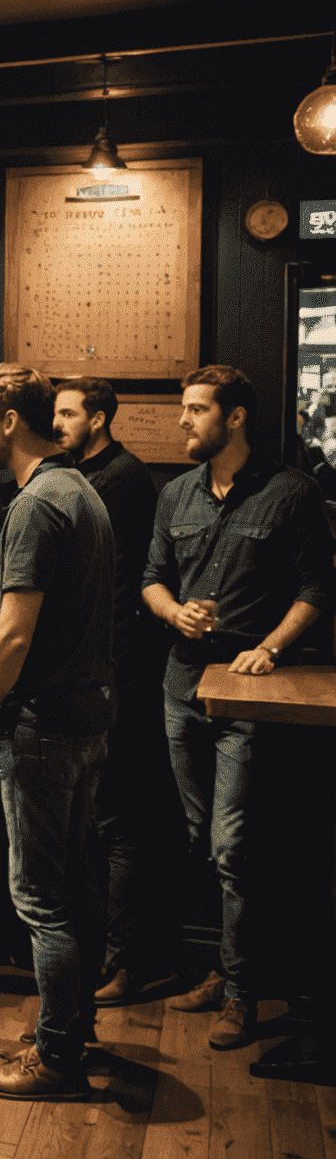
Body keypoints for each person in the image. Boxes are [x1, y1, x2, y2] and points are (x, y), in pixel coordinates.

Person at [142, 365, 331, 1048]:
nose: (184, 421)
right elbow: (152, 580)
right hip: (179, 682)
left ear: (236, 417)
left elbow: (316, 589)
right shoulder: (177, 494)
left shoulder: (291, 493)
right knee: (201, 841)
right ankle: (224, 971)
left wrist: (270, 650)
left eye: (196, 410)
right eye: (184, 409)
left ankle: (244, 990)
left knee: (233, 845)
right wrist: (174, 614)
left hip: (247, 692)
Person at [0, 362, 116, 1101]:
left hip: (41, 727)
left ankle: (55, 1058)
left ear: (11, 421)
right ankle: (70, 1029)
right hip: (86, 719)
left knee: (41, 899)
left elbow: (13, 637)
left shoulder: (33, 505)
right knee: (78, 884)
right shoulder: (79, 491)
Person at [52, 375, 163, 1006]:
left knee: (117, 818)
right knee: (91, 820)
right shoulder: (79, 475)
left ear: (98, 419)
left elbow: (108, 585)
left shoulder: (120, 479)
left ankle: (122, 959)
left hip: (113, 670)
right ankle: (96, 952)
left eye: (68, 413)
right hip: (91, 670)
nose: (59, 421)